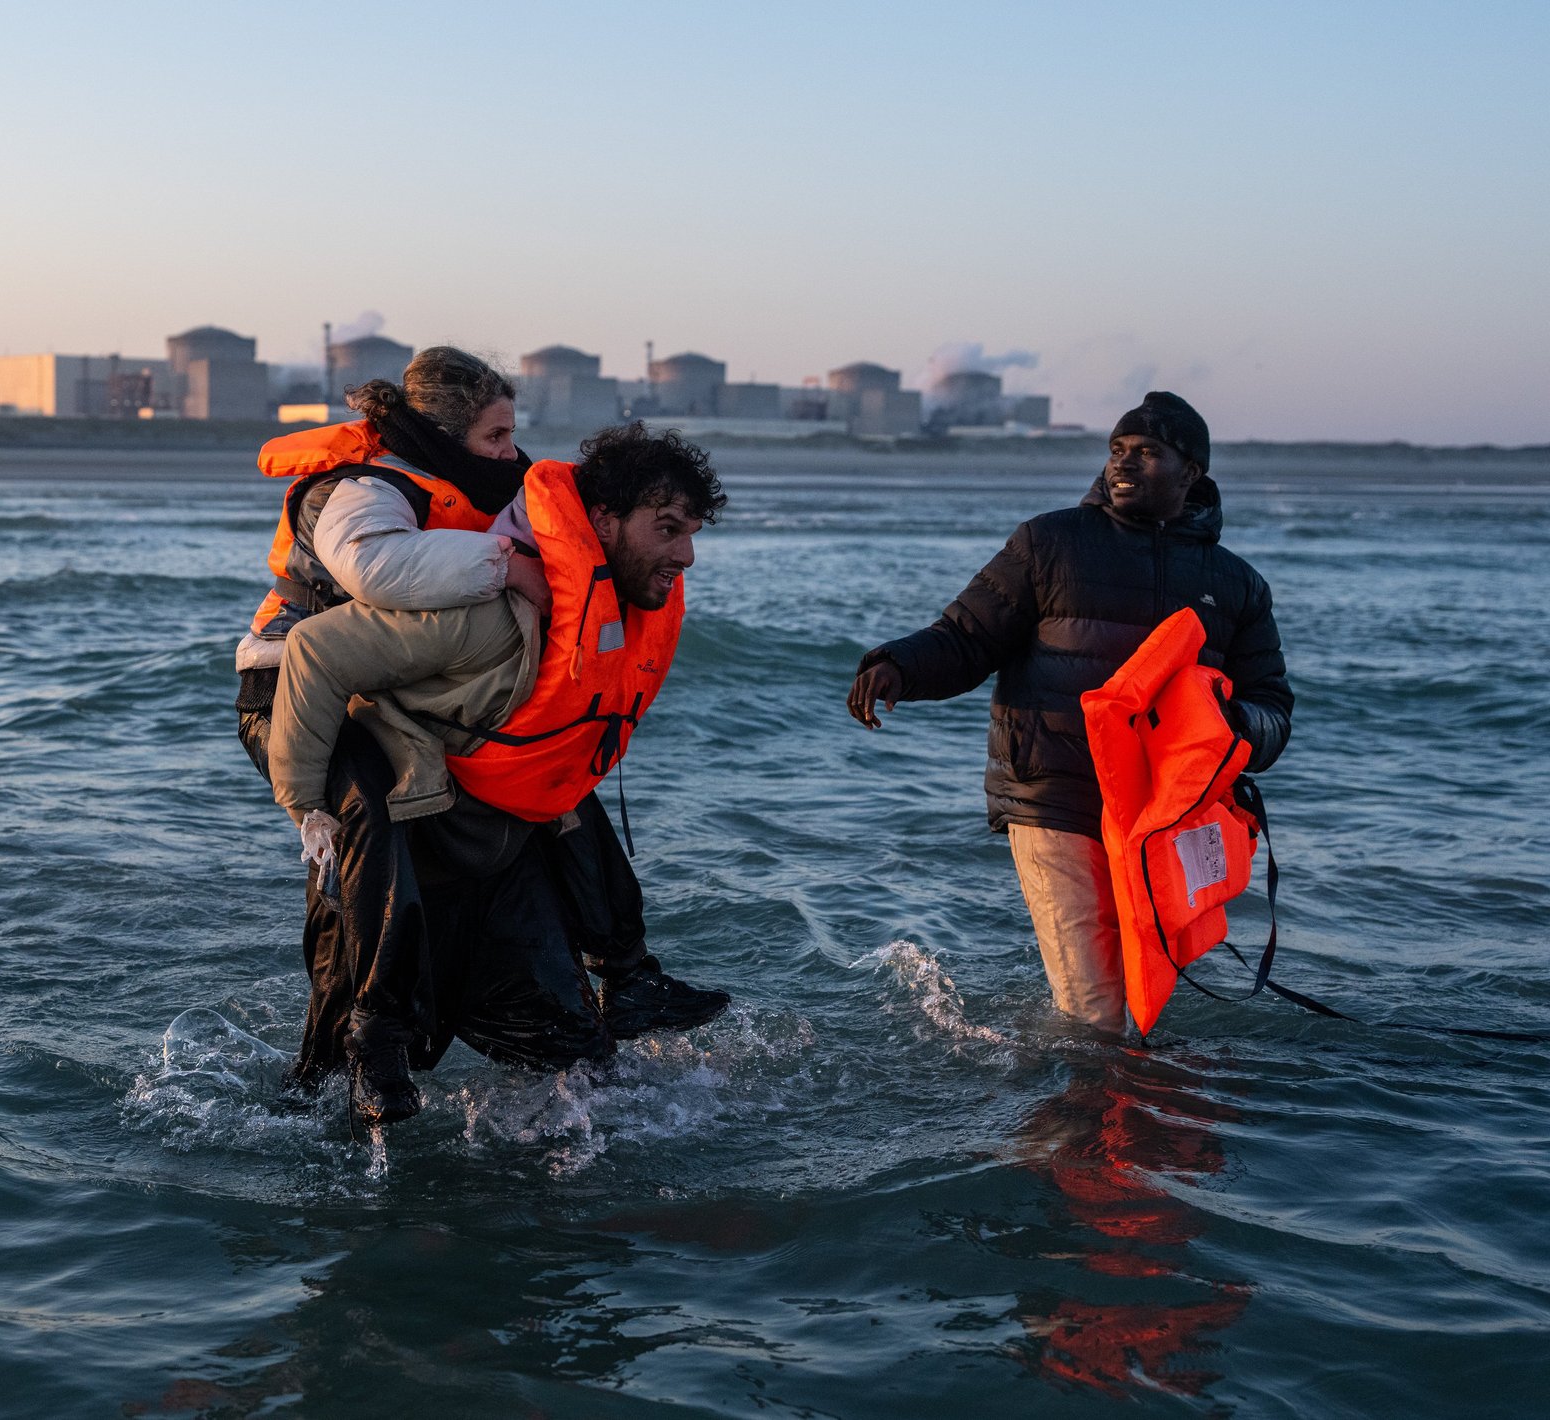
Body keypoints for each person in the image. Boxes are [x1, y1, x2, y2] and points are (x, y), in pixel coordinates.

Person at [267, 421, 730, 1126]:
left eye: (692, 534)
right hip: (405, 848)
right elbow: (315, 654)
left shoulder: (598, 614)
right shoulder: (486, 611)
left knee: (587, 1062)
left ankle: (628, 989)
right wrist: (311, 811)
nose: (686, 555)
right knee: (324, 1090)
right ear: (601, 521)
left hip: (497, 847)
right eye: (667, 530)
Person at [845, 392, 1292, 1036]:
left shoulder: (1236, 584)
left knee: (1137, 1007)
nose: (1124, 465)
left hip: (1161, 822)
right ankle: (1082, 1123)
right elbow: (967, 637)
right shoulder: (1049, 543)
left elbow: (1273, 710)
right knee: (1095, 1008)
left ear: (1191, 472)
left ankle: (1076, 1106)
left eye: (1147, 453)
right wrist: (899, 667)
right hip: (1053, 793)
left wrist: (1229, 725)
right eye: (1117, 450)